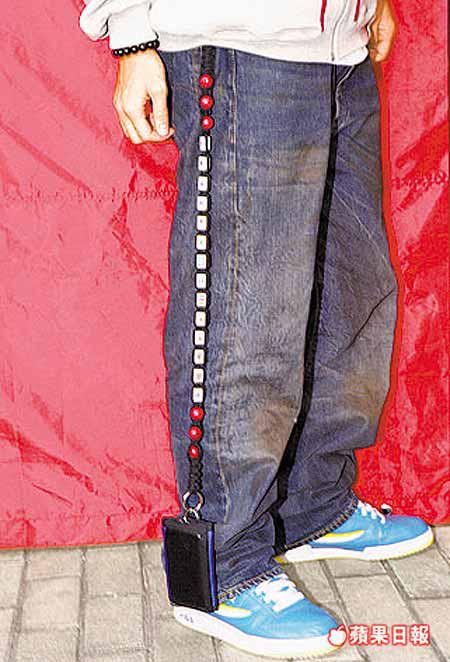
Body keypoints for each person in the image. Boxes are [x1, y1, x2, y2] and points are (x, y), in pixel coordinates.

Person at [78, 2, 434, 658]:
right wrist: (129, 35)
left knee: (347, 290)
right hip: (241, 41)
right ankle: (221, 565)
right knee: (247, 311)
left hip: (340, 47)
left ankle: (312, 504)